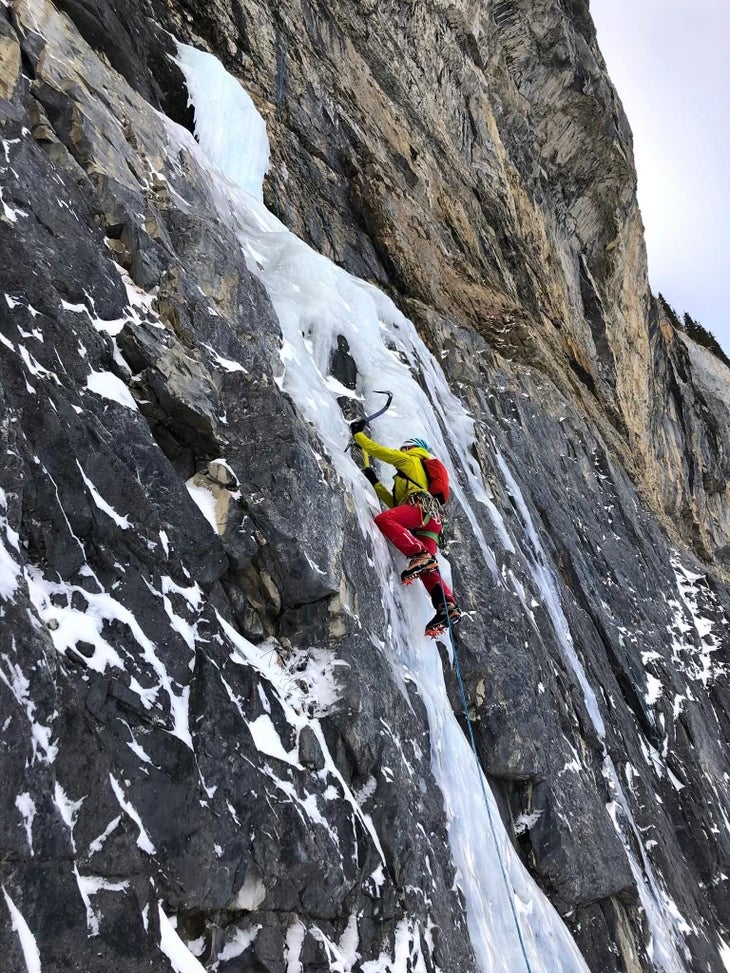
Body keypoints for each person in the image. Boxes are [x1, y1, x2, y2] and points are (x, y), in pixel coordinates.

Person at [350, 421, 461, 637]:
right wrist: (373, 480)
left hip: (421, 509)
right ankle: (446, 605)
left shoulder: (410, 458)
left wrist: (358, 435)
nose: (400, 452)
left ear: (408, 448)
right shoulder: (419, 475)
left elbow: (378, 451)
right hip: (431, 521)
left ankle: (418, 554)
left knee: (384, 520)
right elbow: (395, 503)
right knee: (428, 570)